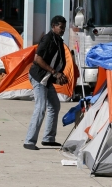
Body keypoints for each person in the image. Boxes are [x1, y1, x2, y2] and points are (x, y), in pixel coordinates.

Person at [23, 15, 68, 150]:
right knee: (41, 107)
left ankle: (48, 139)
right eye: (61, 27)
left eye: (64, 28)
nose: (63, 30)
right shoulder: (48, 39)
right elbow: (38, 59)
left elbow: (57, 61)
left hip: (47, 78)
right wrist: (55, 73)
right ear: (53, 26)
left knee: (54, 105)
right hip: (39, 77)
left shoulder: (58, 40)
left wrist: (59, 76)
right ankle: (29, 141)